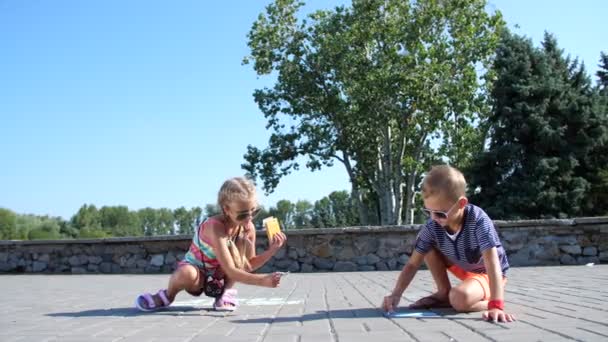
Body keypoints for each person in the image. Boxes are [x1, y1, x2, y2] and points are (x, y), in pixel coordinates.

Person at [382, 165, 515, 322]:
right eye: (428, 212)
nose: (433, 218)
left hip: (488, 273)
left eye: (440, 213)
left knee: (459, 299)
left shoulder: (478, 220)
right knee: (426, 248)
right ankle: (444, 292)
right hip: (463, 265)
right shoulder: (432, 226)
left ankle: (482, 300)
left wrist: (496, 305)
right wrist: (396, 294)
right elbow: (412, 264)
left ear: (461, 204)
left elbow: (492, 261)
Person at [136, 176, 287, 312]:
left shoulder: (247, 228)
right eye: (242, 214)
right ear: (226, 209)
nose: (249, 219)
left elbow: (247, 265)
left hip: (219, 276)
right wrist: (263, 281)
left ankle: (225, 293)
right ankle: (168, 295)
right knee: (186, 273)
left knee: (238, 253)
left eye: (254, 212)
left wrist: (272, 250)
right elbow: (231, 269)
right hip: (196, 274)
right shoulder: (214, 226)